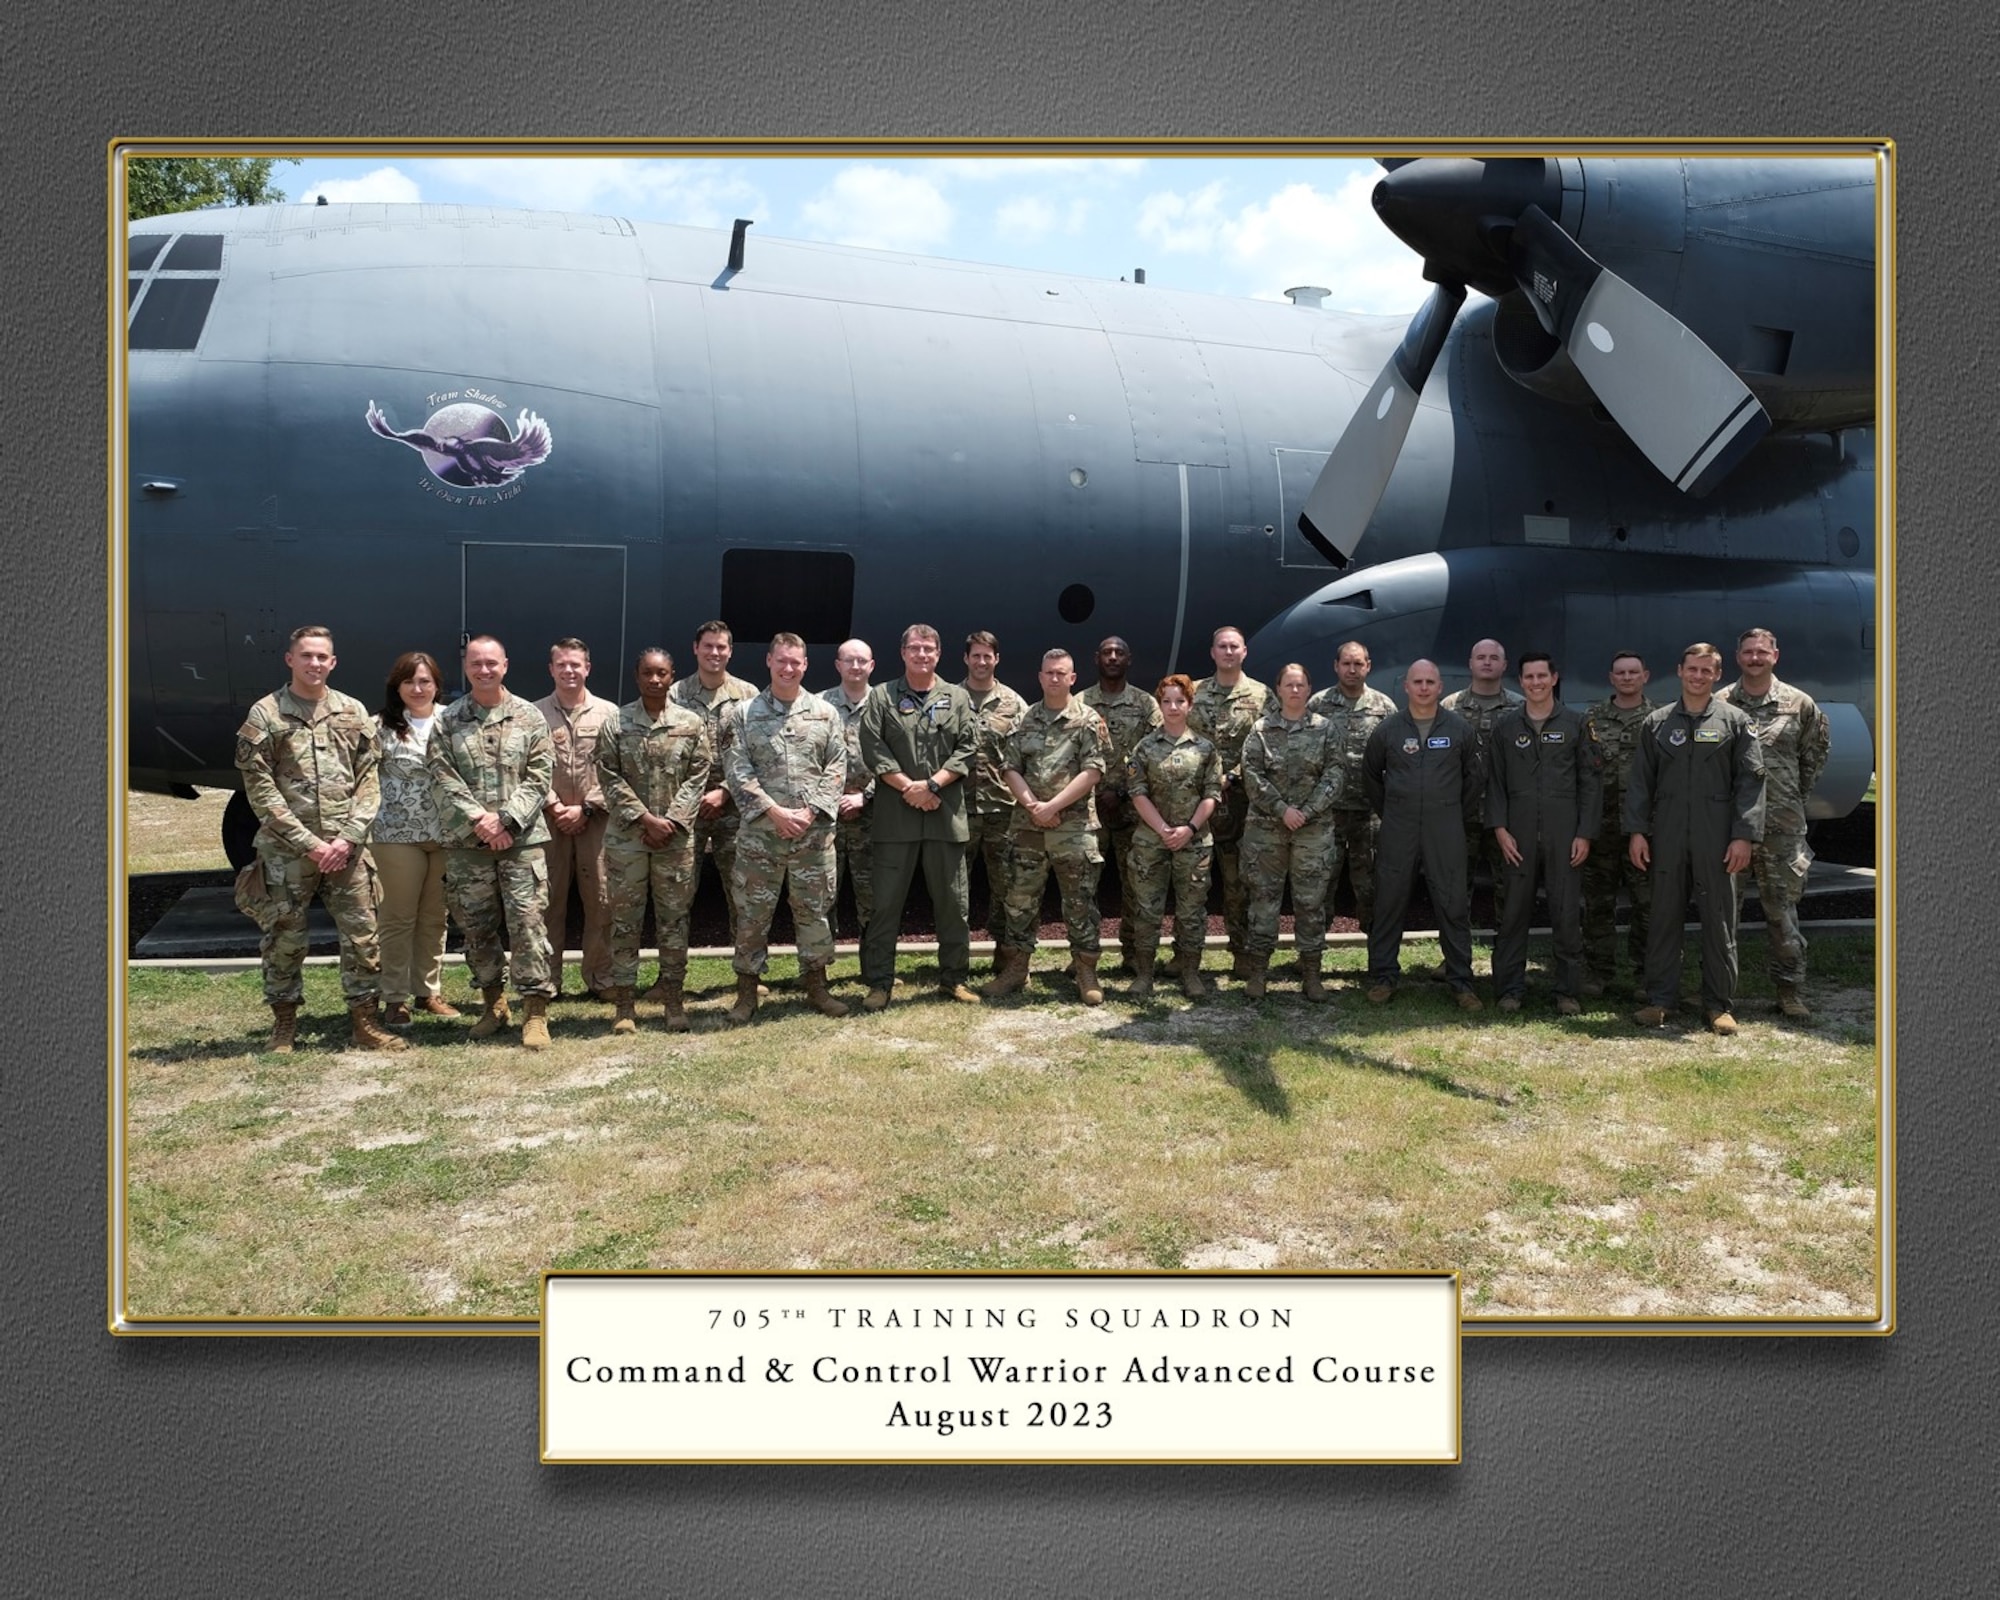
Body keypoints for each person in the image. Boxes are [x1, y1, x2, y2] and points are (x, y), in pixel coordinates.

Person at [233, 624, 405, 1053]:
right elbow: (260, 788)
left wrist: (347, 839)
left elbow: (370, 779)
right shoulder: (266, 714)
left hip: (347, 851)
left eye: (322, 656)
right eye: (306, 655)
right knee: (284, 938)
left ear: (333, 662)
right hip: (288, 851)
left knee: (363, 936)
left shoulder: (352, 712)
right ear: (290, 659)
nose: (314, 663)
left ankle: (364, 1023)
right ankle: (284, 1025)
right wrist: (309, 842)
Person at [1623, 642, 1767, 1036]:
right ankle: (1659, 1000)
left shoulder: (1736, 723)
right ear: (1680, 671)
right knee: (1663, 919)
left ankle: (1719, 1005)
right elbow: (1640, 784)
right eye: (1693, 669)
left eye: (1707, 671)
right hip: (1667, 834)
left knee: (1719, 922)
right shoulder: (1657, 723)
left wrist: (1744, 837)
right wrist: (1637, 832)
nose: (1699, 676)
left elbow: (1751, 783)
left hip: (1716, 837)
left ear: (1717, 675)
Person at [427, 635, 557, 1048]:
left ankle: (534, 1013)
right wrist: (479, 822)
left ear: (506, 665)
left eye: (491, 663)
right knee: (477, 929)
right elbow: (441, 775)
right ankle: (493, 1005)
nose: (484, 670)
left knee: (528, 928)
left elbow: (540, 775)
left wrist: (506, 822)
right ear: (466, 666)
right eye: (476, 664)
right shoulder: (448, 720)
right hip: (468, 846)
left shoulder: (530, 717)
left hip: (521, 843)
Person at [722, 633, 849, 1025]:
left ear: (806, 665)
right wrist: (774, 811)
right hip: (762, 838)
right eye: (782, 661)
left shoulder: (826, 713)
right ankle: (746, 994)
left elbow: (837, 767)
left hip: (812, 838)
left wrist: (810, 812)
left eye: (796, 662)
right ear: (769, 662)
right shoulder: (742, 714)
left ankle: (817, 986)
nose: (788, 668)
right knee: (752, 916)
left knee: (814, 913)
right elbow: (737, 771)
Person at [857, 624, 983, 1009]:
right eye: (915, 648)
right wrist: (910, 788)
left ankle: (954, 979)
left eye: (929, 649)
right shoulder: (881, 696)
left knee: (953, 904)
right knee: (885, 906)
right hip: (896, 820)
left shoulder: (957, 697)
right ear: (903, 653)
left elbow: (967, 748)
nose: (922, 655)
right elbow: (873, 748)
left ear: (939, 654)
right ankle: (879, 983)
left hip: (945, 818)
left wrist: (930, 786)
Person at [987, 649, 1112, 1004]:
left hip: (1073, 828)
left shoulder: (1088, 720)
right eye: (1049, 673)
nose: (1055, 678)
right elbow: (1009, 768)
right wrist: (1033, 807)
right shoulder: (1023, 721)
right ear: (1040, 677)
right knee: (1020, 900)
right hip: (1028, 828)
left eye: (1062, 673)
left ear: (1073, 678)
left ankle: (1086, 970)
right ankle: (1016, 969)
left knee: (1080, 902)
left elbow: (1093, 771)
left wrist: (1052, 807)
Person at [597, 648, 711, 1033]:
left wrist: (672, 822)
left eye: (662, 673)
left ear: (672, 675)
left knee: (674, 921)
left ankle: (673, 1002)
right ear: (637, 676)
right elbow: (609, 777)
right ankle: (625, 1007)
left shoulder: (691, 723)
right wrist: (645, 818)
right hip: (628, 840)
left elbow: (699, 776)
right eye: (648, 673)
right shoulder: (616, 722)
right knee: (625, 921)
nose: (655, 680)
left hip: (675, 842)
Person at [1719, 627, 1829, 1020]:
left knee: (1782, 915)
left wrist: (1789, 799)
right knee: (1723, 914)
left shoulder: (1799, 704)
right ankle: (1719, 994)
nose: (1754, 658)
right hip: (1731, 830)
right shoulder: (1720, 703)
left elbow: (1813, 755)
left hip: (1782, 828)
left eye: (1762, 652)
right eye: (1748, 652)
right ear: (1738, 657)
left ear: (1775, 656)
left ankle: (1790, 991)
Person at [1485, 652, 1603, 1015]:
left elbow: (1591, 782)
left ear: (1554, 678)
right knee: (1512, 914)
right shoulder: (1505, 727)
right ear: (1519, 682)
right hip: (1516, 836)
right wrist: (1500, 829)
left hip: (1564, 835)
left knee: (1566, 914)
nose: (1535, 683)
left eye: (1541, 676)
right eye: (1528, 677)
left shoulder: (1577, 724)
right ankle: (1509, 990)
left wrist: (1584, 833)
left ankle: (1567, 991)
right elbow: (1495, 782)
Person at [1361, 659, 1482, 1010]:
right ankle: (1383, 977)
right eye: (1418, 682)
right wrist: (1394, 811)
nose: (1424, 687)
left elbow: (1474, 779)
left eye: (1431, 681)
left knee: (1454, 905)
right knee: (1389, 903)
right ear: (1407, 687)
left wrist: (1450, 813)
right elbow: (1371, 776)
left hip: (1445, 828)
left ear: (1440, 687)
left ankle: (1461, 982)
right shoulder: (1388, 730)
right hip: (1399, 828)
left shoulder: (1460, 729)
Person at [1239, 664, 1343, 1001]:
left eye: (1301, 684)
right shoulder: (1260, 730)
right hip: (1267, 830)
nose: (1295, 690)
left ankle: (1311, 974)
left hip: (1313, 831)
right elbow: (1251, 775)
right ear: (1279, 689)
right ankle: (1257, 973)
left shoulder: (1326, 730)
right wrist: (1283, 810)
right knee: (1263, 902)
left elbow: (1336, 774)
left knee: (1311, 903)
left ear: (1309, 688)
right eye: (1289, 684)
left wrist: (1307, 811)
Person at [368, 651, 457, 1028]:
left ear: (437, 684)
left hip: (446, 834)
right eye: (409, 682)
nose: (418, 689)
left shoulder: (453, 722)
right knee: (398, 916)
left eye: (425, 681)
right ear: (397, 686)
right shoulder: (379, 727)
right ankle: (394, 997)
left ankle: (428, 992)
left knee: (435, 917)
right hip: (396, 835)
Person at [1124, 675, 1222, 1000]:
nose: (1173, 707)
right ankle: (1145, 975)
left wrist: (1189, 829)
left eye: (1180, 701)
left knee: (1191, 911)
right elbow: (1137, 792)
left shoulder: (1205, 749)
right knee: (1147, 909)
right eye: (1166, 701)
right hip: (1152, 842)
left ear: (1190, 704)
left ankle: (1190, 973)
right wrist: (1164, 830)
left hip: (1193, 842)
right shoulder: (1145, 747)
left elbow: (1212, 794)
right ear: (1160, 704)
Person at [535, 637, 619, 1003]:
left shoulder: (609, 714)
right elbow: (527, 768)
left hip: (596, 821)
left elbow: (617, 770)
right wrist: (554, 806)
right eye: (562, 665)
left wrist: (586, 807)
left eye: (576, 664)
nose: (569, 671)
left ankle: (601, 978)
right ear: (551, 669)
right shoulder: (532, 714)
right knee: (547, 902)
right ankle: (546, 982)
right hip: (547, 821)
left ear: (588, 668)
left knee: (601, 901)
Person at [668, 619, 760, 951]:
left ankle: (746, 975)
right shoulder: (674, 694)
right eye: (707, 645)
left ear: (730, 652)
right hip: (686, 810)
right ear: (695, 648)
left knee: (742, 893)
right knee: (677, 896)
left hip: (734, 807)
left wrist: (725, 791)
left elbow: (757, 754)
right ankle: (671, 979)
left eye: (721, 646)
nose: (714, 652)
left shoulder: (748, 695)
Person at [1189, 625, 1274, 980]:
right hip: (1196, 802)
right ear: (1212, 652)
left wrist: (1233, 775)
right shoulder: (1192, 692)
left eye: (1234, 646)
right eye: (1221, 646)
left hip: (1242, 803)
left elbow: (1268, 743)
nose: (1227, 652)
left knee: (1239, 883)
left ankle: (1241, 953)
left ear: (1244, 652)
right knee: (1191, 883)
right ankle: (1186, 955)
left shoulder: (1263, 695)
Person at [1078, 636, 1161, 972]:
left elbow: (1155, 754)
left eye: (1119, 653)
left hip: (1132, 811)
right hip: (1089, 810)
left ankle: (1132, 955)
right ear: (1097, 658)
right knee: (1083, 887)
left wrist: (1123, 793)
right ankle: (1083, 957)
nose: (1113, 657)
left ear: (1129, 659)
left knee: (1136, 887)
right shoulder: (1079, 702)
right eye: (1107, 653)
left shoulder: (1145, 705)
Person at [1581, 651, 1659, 996]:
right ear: (1611, 679)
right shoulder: (1592, 719)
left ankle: (1646, 974)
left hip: (1643, 829)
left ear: (1645, 676)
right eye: (1620, 673)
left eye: (1633, 672)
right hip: (1601, 830)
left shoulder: (1660, 720)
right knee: (1598, 904)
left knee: (1648, 904)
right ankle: (1598, 973)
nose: (1627, 678)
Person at [1307, 640, 1397, 936]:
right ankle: (1312, 958)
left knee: (1371, 887)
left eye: (1358, 663)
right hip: (1328, 813)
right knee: (1321, 885)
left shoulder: (1384, 707)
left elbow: (1395, 758)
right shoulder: (1318, 705)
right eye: (1346, 663)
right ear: (1336, 666)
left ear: (1368, 666)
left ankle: (1378, 957)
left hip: (1369, 814)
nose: (1352, 669)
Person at [961, 631, 1031, 973]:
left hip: (1002, 810)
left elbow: (1026, 757)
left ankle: (1005, 960)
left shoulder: (1014, 704)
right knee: (955, 888)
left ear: (996, 659)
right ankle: (955, 961)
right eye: (976, 655)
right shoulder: (949, 698)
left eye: (987, 656)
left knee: (1006, 887)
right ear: (966, 659)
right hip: (957, 810)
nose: (981, 661)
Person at [1440, 638, 1524, 921]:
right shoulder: (1449, 707)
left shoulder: (1521, 708)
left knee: (1510, 888)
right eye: (1480, 657)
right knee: (1455, 888)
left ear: (1504, 665)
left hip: (1507, 815)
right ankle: (1454, 959)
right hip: (1461, 814)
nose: (1487, 662)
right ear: (1470, 664)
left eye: (1493, 657)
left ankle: (1508, 960)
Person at [821, 638, 878, 941]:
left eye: (861, 661)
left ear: (871, 665)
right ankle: (820, 975)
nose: (855, 666)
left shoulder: (886, 705)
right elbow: (808, 760)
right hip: (826, 817)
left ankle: (875, 970)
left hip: (872, 816)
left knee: (873, 896)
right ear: (838, 665)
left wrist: (865, 795)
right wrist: (830, 798)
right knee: (822, 895)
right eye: (848, 660)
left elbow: (897, 760)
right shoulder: (817, 705)